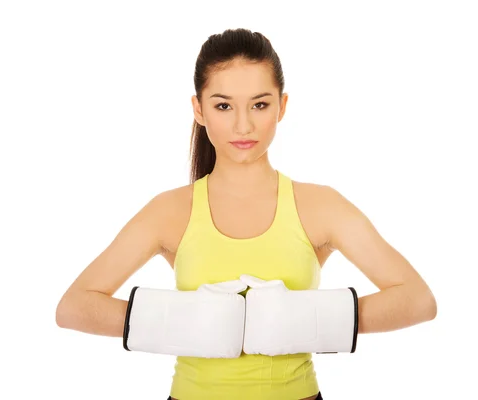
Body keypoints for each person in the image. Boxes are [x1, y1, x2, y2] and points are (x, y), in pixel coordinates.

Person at [55, 28, 437, 400]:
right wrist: (180, 322)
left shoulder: (320, 206)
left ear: (282, 106)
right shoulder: (169, 211)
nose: (243, 124)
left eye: (260, 104)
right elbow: (74, 306)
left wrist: (311, 319)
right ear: (199, 109)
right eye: (223, 106)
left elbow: (418, 300)